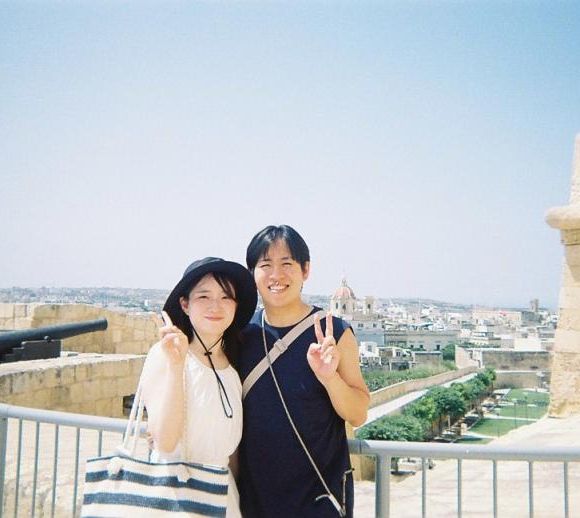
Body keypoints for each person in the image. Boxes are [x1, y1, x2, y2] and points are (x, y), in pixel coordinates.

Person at [238, 225, 370, 518]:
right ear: (252, 273)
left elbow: (358, 413)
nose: (276, 275)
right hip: (255, 500)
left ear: (305, 270)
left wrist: (330, 378)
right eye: (265, 265)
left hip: (318, 501)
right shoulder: (242, 335)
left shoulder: (334, 332)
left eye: (287, 264)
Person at [141, 257, 257, 518]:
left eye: (226, 297)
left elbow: (230, 453)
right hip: (176, 499)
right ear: (185, 304)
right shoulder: (164, 355)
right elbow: (165, 442)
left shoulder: (232, 369)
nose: (216, 306)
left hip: (222, 497)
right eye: (204, 296)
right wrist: (176, 365)